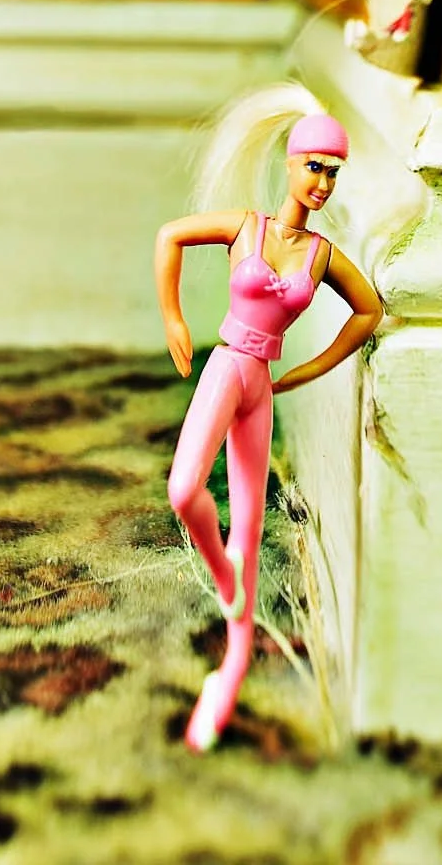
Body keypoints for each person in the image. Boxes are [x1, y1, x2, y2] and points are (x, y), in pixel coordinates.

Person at [153, 84, 383, 752]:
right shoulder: (247, 228)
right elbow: (171, 236)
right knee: (184, 489)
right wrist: (174, 317)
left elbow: (368, 312)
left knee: (250, 532)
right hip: (227, 367)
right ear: (289, 162)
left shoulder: (321, 256)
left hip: (261, 386)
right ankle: (224, 578)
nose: (323, 184)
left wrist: (312, 369)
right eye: (314, 167)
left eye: (333, 173)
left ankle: (232, 663)